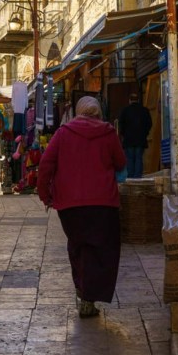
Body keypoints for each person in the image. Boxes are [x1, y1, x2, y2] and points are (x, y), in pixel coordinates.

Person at [37, 95, 126, 318]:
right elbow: (121, 163)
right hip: (103, 203)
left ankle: (82, 291)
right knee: (102, 250)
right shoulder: (108, 132)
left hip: (70, 205)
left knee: (78, 247)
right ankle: (89, 296)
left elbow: (45, 164)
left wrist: (45, 195)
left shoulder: (64, 132)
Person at [118, 92, 153, 179]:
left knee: (129, 158)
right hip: (140, 139)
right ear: (138, 100)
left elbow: (121, 124)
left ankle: (130, 175)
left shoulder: (125, 111)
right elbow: (149, 123)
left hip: (128, 139)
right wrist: (145, 133)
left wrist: (123, 134)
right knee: (139, 158)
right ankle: (137, 176)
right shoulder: (144, 110)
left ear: (129, 100)